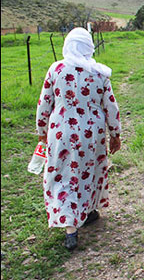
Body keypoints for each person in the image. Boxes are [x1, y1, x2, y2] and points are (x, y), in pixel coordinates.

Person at [35, 27, 121, 250]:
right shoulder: (99, 72)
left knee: (62, 173)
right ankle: (88, 211)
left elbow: (44, 104)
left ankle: (70, 229)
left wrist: (42, 129)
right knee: (88, 170)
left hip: (60, 131)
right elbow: (111, 106)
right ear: (88, 47)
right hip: (91, 133)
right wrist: (116, 133)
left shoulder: (56, 70)